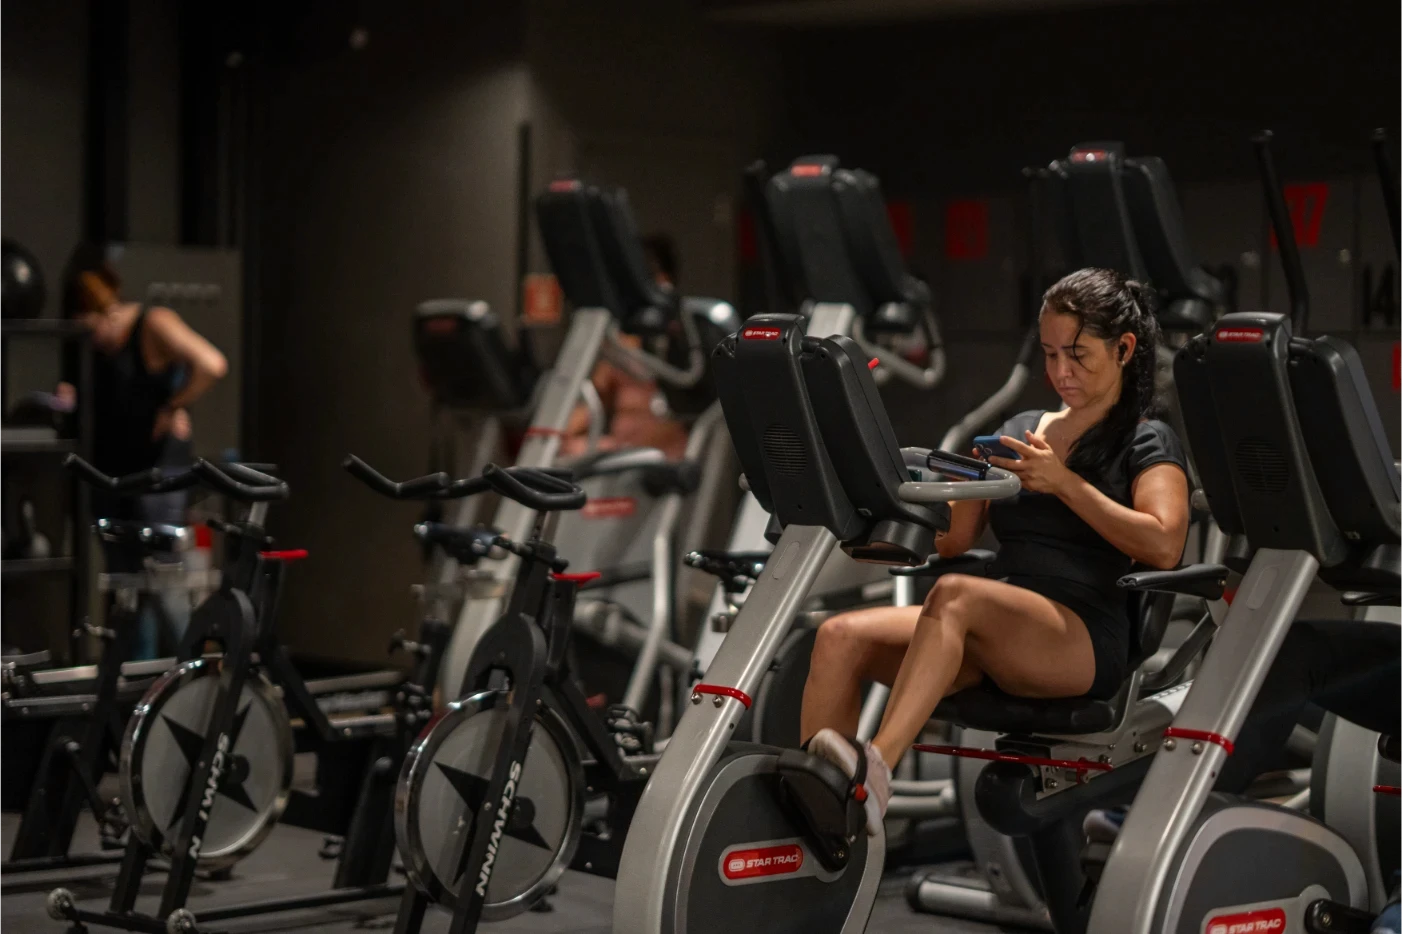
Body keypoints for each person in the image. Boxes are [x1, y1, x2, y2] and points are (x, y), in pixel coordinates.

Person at [801, 267, 1190, 832]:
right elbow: (955, 539)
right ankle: (821, 821)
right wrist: (877, 511)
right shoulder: (1022, 430)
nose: (1060, 371)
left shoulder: (1145, 438)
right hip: (997, 626)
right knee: (839, 637)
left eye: (1077, 355)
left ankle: (874, 772)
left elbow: (1165, 544)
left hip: (1082, 635)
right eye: (1051, 355)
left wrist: (1064, 483)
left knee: (955, 595)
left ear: (1124, 349)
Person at [61, 243, 228, 659]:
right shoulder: (94, 351)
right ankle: (139, 685)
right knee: (127, 596)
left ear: (104, 313)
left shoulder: (152, 323)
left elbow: (211, 363)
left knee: (164, 585)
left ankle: (198, 673)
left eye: (91, 328)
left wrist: (173, 405)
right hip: (111, 473)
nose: (93, 341)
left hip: (155, 477)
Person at [560, 233, 689, 460]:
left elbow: (681, 415)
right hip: (624, 453)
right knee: (566, 451)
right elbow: (597, 395)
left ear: (663, 282)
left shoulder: (684, 342)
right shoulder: (621, 339)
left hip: (662, 454)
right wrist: (557, 433)